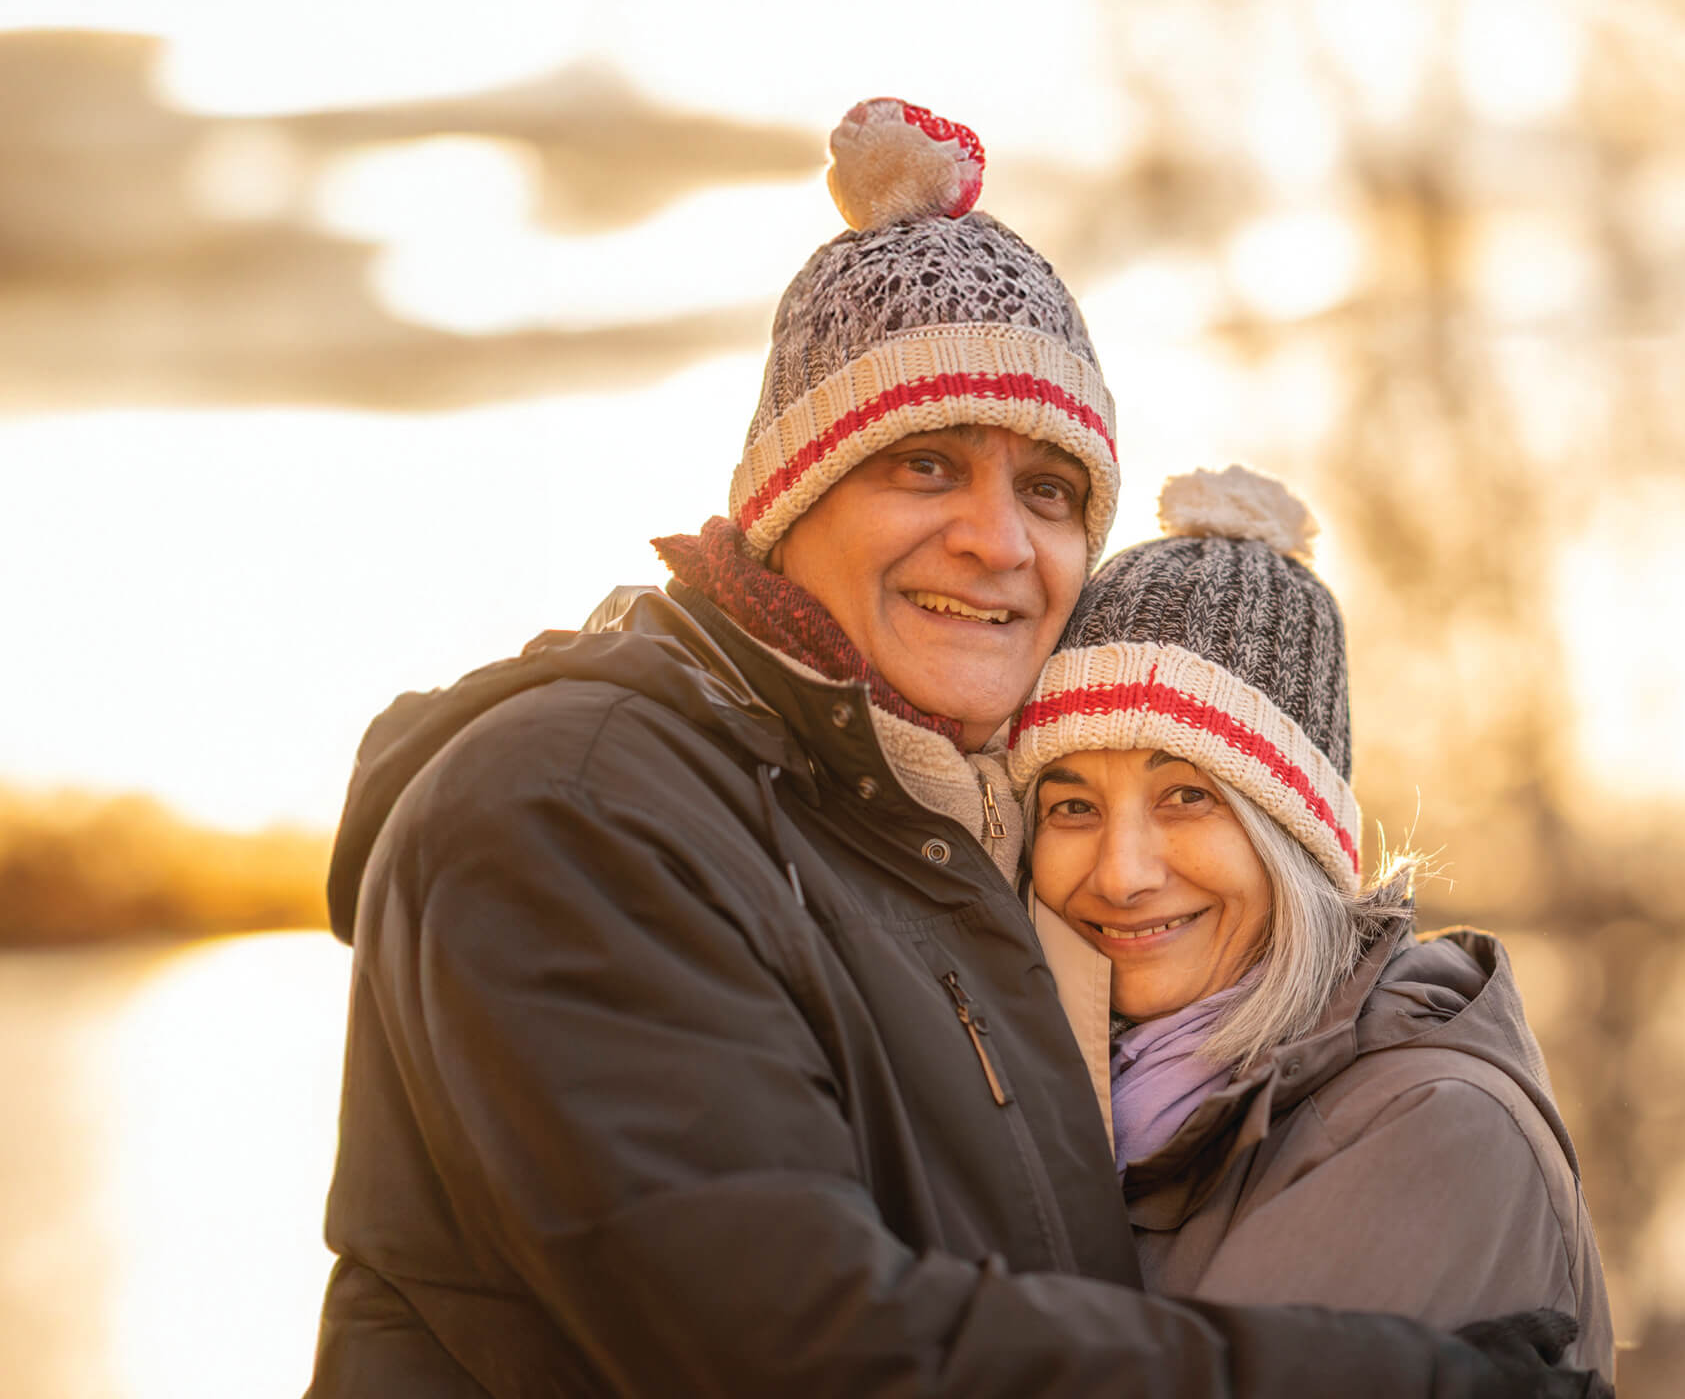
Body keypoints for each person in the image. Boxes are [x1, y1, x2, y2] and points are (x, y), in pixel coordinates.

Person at [309, 99, 1610, 1396]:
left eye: (1048, 490)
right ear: (787, 502)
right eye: (926, 465)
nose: (999, 541)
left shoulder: (919, 838)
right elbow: (806, 1354)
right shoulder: (578, 806)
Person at [1010, 466, 1614, 1379]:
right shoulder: (1086, 1104)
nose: (1121, 874)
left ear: (1294, 843)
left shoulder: (1428, 1129)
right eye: (1071, 806)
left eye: (1187, 796)